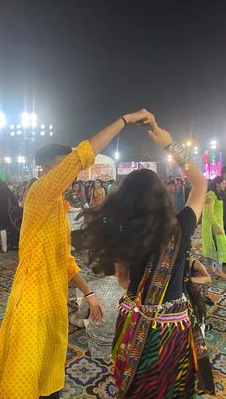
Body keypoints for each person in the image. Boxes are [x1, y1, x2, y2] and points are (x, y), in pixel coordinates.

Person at [0, 109, 151, 399]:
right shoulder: (39, 194)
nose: (72, 172)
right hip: (31, 299)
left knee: (48, 378)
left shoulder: (57, 205)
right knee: (23, 378)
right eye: (63, 165)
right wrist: (125, 120)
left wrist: (88, 294)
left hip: (53, 299)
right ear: (44, 169)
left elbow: (65, 259)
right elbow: (82, 156)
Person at [81, 118, 215, 398]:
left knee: (138, 386)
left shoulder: (122, 231)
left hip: (134, 321)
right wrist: (169, 143)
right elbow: (200, 183)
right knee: (170, 388)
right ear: (163, 196)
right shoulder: (181, 226)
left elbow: (122, 279)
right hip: (171, 328)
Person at [77, 273, 125, 362]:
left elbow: (82, 314)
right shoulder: (136, 291)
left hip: (97, 348)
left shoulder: (91, 286)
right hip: (122, 347)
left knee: (80, 292)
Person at [202, 176, 226, 279]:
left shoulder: (217, 194)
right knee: (217, 247)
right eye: (223, 183)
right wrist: (216, 225)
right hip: (213, 226)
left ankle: (211, 268)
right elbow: (210, 213)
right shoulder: (211, 195)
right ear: (217, 184)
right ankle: (218, 270)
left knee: (214, 247)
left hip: (217, 224)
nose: (224, 185)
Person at [0, 169, 18, 254]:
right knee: (3, 229)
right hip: (2, 210)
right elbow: (12, 196)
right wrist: (14, 205)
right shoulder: (4, 185)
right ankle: (5, 247)